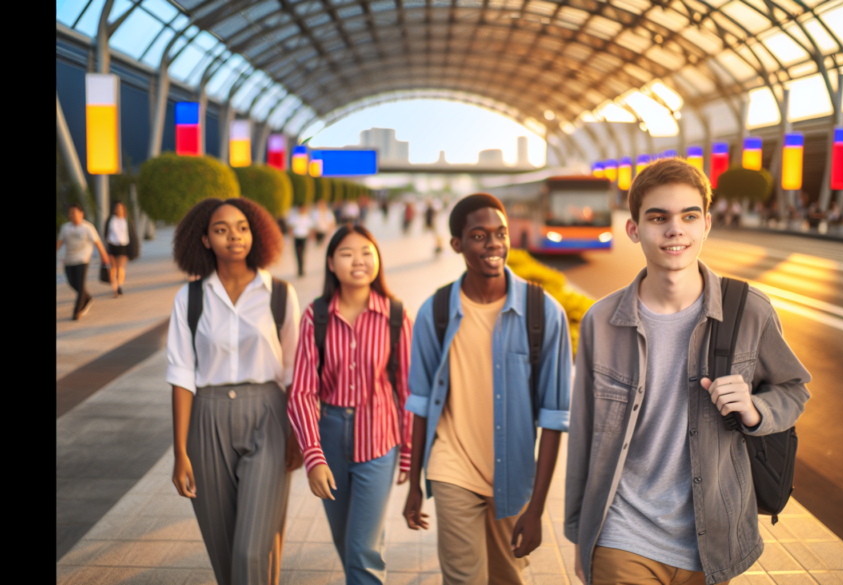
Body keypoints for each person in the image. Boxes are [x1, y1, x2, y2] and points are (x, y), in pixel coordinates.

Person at [564, 159, 811, 585]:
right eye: (658, 218)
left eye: (689, 216)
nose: (675, 230)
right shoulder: (601, 321)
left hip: (711, 539)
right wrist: (580, 535)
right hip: (622, 534)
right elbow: (584, 432)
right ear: (634, 229)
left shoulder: (749, 311)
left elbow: (794, 390)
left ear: (706, 225)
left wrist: (755, 410)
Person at [404, 194, 572, 584]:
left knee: (506, 576)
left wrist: (536, 510)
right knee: (464, 578)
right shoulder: (435, 311)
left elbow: (554, 417)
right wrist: (414, 484)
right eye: (479, 235)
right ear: (457, 244)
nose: (494, 243)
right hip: (451, 467)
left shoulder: (543, 313)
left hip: (512, 474)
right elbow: (421, 403)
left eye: (500, 233)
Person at [167, 197, 304, 585]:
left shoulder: (279, 293)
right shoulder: (190, 298)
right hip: (207, 418)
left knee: (252, 548)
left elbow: (295, 371)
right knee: (224, 548)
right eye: (221, 229)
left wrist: (299, 434)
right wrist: (180, 452)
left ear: (255, 233)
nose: (234, 236)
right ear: (205, 239)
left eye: (242, 227)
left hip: (269, 415)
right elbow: (181, 375)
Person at [288, 224, 413, 584]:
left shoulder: (395, 315)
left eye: (366, 253)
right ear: (331, 263)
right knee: (346, 540)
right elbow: (302, 391)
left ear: (377, 260)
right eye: (347, 253)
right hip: (329, 436)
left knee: (362, 547)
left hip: (379, 438)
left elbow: (407, 390)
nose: (358, 260)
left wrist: (408, 451)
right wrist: (313, 457)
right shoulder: (316, 315)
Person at [57, 202, 110, 320]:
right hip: (69, 259)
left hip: (83, 258)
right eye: (71, 213)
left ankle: (77, 311)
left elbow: (98, 242)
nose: (73, 215)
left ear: (81, 214)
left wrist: (104, 256)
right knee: (72, 283)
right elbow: (59, 243)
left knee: (80, 285)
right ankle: (88, 298)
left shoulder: (87, 227)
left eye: (75, 213)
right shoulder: (65, 228)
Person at [103, 201, 140, 298]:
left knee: (120, 268)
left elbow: (131, 234)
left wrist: (133, 248)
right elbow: (106, 233)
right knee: (112, 269)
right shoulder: (111, 220)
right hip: (112, 246)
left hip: (123, 247)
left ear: (124, 210)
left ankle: (119, 285)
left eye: (120, 208)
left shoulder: (126, 220)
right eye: (117, 208)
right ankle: (115, 288)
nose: (118, 210)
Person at [287, 203, 314, 276]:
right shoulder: (295, 217)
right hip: (297, 237)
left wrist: (311, 236)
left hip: (304, 237)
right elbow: (290, 227)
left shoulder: (307, 217)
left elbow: (311, 227)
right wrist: (291, 234)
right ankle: (299, 270)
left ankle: (302, 269)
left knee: (302, 254)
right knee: (298, 254)